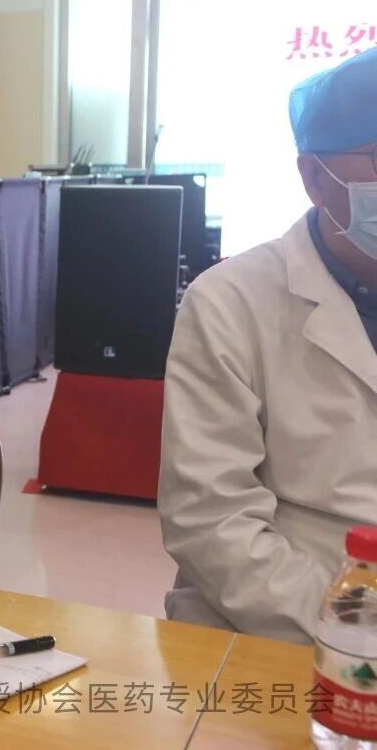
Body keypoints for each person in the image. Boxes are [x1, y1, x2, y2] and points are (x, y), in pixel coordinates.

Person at [159, 48, 377, 645]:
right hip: (274, 621)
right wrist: (355, 626)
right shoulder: (229, 301)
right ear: (315, 178)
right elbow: (211, 517)